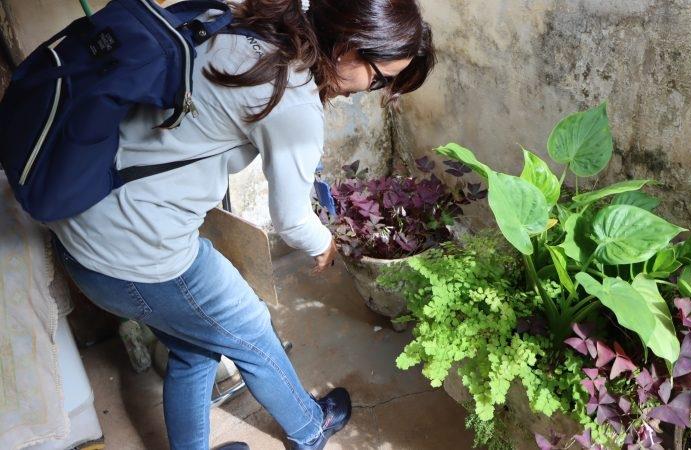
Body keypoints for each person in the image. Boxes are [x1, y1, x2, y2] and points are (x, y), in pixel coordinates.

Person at [48, 0, 435, 449]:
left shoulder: (246, 23)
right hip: (136, 251)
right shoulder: (292, 98)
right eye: (380, 77)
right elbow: (291, 220)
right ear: (349, 47)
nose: (373, 88)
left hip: (79, 221)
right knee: (252, 330)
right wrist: (323, 241)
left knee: (194, 345)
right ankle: (311, 429)